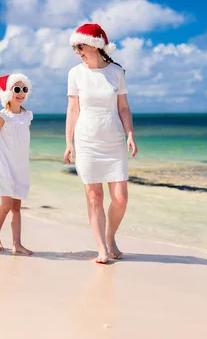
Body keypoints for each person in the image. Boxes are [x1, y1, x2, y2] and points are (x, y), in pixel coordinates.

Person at [64, 23, 138, 264]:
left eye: (80, 46)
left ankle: (110, 235)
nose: (77, 51)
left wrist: (130, 134)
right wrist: (69, 142)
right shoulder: (75, 73)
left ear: (95, 45)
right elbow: (73, 109)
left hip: (114, 140)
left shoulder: (116, 72)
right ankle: (101, 249)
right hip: (86, 141)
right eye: (75, 47)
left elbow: (124, 108)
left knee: (120, 198)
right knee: (94, 197)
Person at [0, 73, 34, 256]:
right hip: (4, 166)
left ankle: (17, 244)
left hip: (21, 167)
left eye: (24, 89)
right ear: (7, 93)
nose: (21, 93)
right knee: (6, 204)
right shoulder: (2, 116)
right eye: (17, 89)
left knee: (16, 206)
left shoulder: (27, 116)